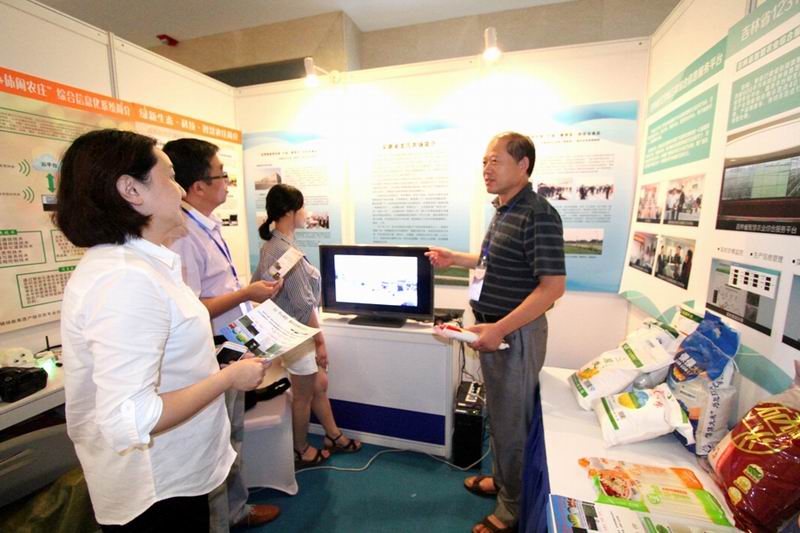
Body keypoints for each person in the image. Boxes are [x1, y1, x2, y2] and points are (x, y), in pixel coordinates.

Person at [55, 129, 269, 531]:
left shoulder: (142, 266)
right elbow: (133, 417)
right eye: (169, 177)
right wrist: (228, 379)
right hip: (156, 488)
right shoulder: (125, 279)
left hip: (174, 473)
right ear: (131, 190)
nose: (181, 190)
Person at [427, 132, 566, 533]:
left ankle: (512, 509)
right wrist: (457, 258)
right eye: (484, 162)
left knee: (513, 423)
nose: (486, 169)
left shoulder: (538, 214)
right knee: (502, 419)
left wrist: (500, 328)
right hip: (495, 332)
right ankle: (505, 484)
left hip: (514, 335)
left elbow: (553, 288)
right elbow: (495, 261)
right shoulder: (505, 209)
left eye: (495, 161)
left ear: (523, 166)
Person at [163, 138, 282, 530]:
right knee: (220, 441)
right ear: (198, 186)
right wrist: (246, 293)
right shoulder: (182, 236)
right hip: (211, 353)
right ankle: (223, 520)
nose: (228, 182)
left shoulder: (205, 226)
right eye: (222, 175)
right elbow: (194, 308)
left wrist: (250, 298)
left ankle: (235, 510)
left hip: (232, 343)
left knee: (233, 433)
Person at [252, 184, 362, 469]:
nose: (306, 213)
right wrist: (320, 341)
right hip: (298, 335)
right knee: (302, 397)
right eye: (302, 207)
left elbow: (259, 286)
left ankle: (333, 435)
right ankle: (300, 449)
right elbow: (303, 304)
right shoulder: (283, 250)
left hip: (292, 332)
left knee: (319, 384)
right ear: (290, 212)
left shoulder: (273, 245)